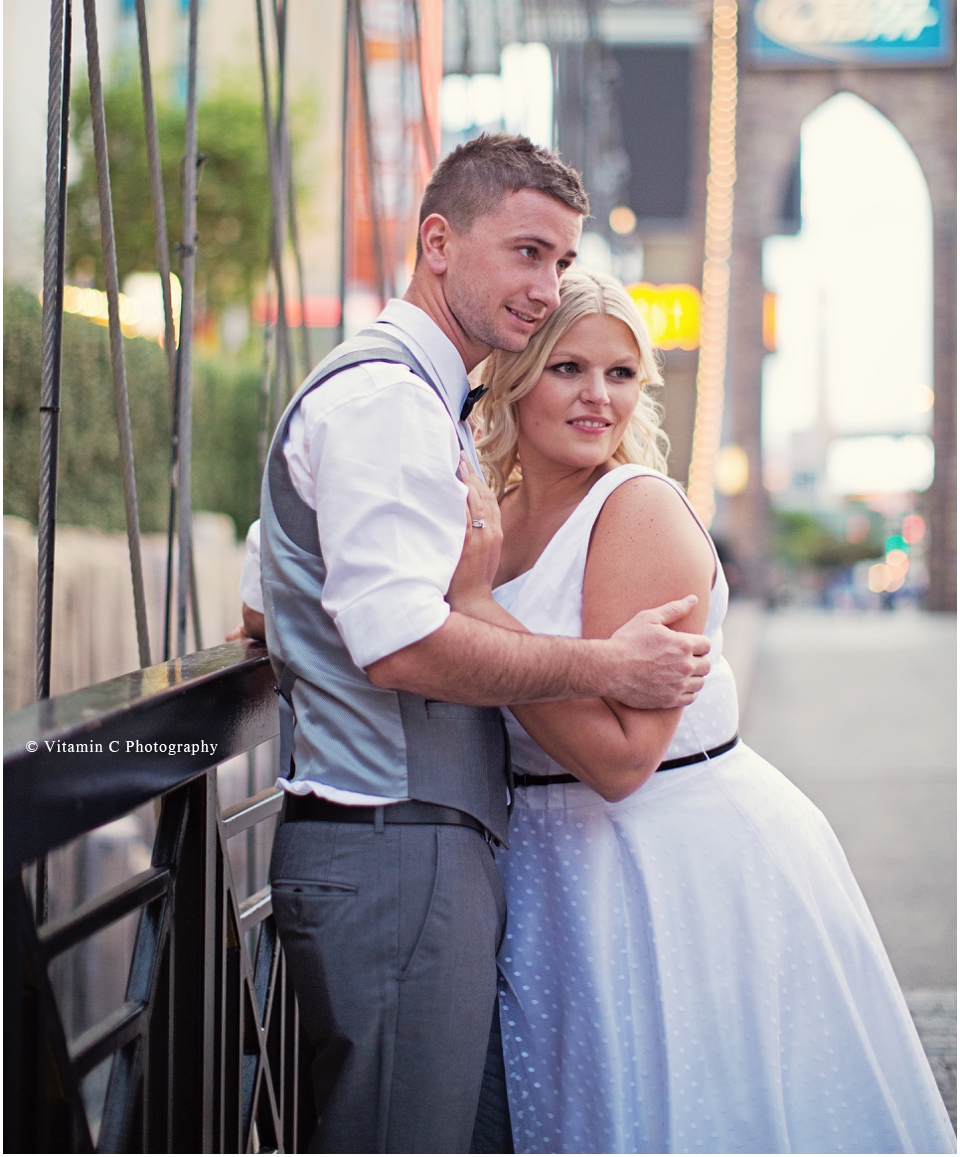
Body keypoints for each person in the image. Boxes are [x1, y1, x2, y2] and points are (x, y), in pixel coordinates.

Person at [254, 135, 711, 1155]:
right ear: (438, 242)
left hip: (408, 848)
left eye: (559, 261)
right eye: (525, 253)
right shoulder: (385, 403)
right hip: (394, 845)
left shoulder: (411, 401)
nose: (546, 286)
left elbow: (268, 592)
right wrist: (602, 664)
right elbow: (403, 646)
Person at [445, 266, 956, 1156]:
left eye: (621, 373)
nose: (597, 396)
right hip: (549, 866)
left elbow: (620, 760)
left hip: (672, 865)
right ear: (515, 374)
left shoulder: (639, 511)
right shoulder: (495, 513)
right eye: (568, 368)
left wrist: (479, 618)